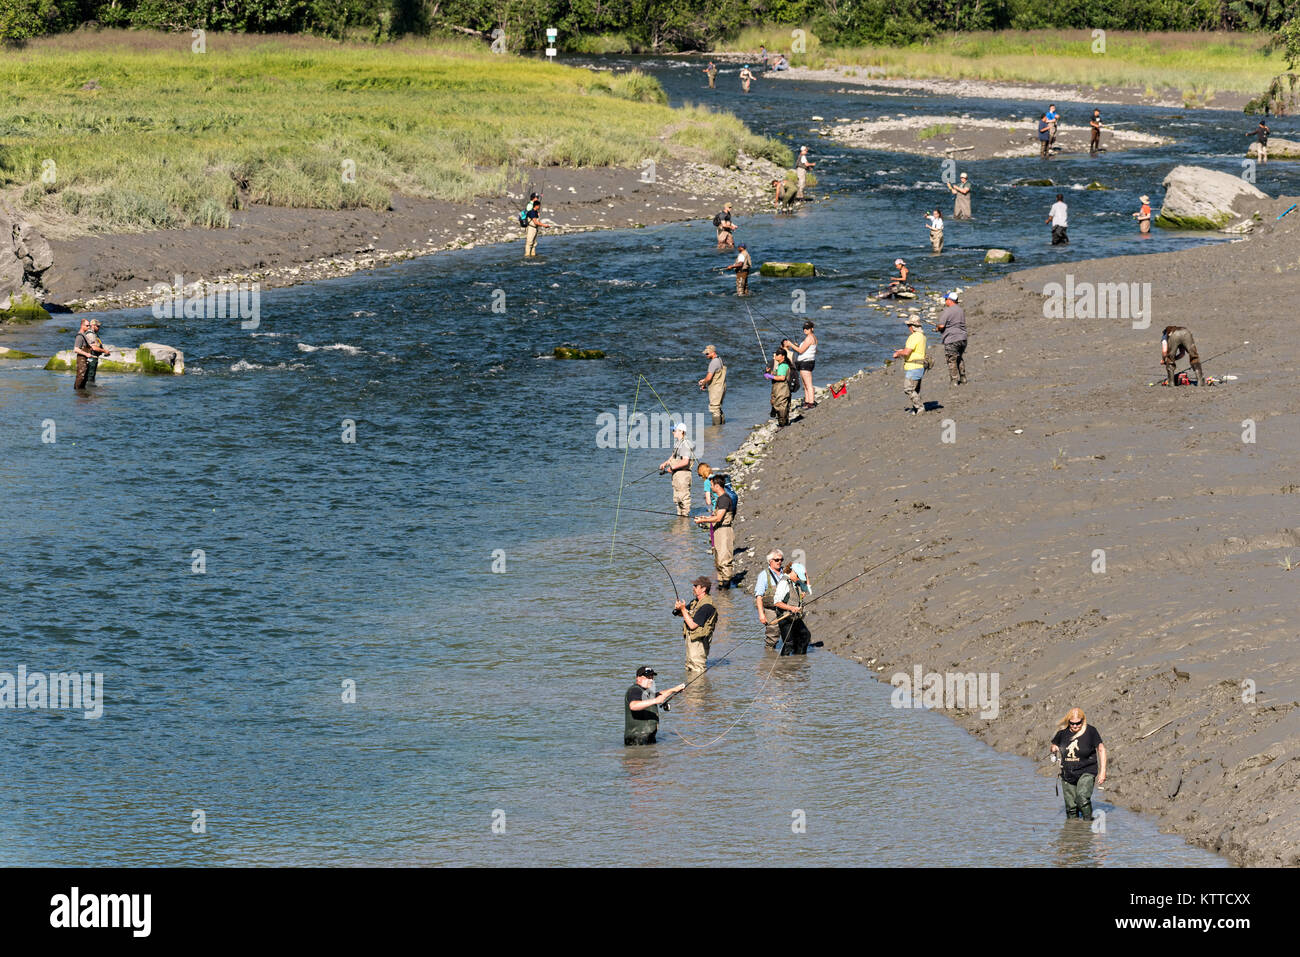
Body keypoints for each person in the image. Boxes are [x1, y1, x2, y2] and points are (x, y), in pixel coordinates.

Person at [1050, 707, 1107, 820]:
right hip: (1068, 774)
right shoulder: (1062, 732)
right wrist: (1054, 748)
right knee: (1071, 807)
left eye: (1078, 723)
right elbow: (1053, 746)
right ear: (1068, 721)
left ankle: (1088, 824)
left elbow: (1101, 749)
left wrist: (1103, 771)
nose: (1075, 726)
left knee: (1082, 798)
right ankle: (1073, 833)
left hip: (1086, 771)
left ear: (1083, 720)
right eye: (1072, 723)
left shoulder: (1091, 731)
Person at [625, 666, 685, 746]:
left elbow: (658, 695)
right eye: (648, 677)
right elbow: (633, 706)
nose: (651, 680)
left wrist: (673, 690)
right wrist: (656, 701)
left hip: (647, 739)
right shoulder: (634, 690)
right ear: (638, 678)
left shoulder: (645, 691)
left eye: (652, 677)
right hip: (637, 741)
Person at [694, 478, 736, 588]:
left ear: (717, 486)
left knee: (724, 561)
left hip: (724, 532)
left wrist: (703, 521)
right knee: (718, 562)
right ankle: (722, 590)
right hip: (718, 531)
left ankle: (726, 589)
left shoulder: (724, 499)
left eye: (712, 485)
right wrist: (705, 518)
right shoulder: (720, 499)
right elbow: (715, 517)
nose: (711, 488)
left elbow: (718, 518)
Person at [674, 577, 718, 673]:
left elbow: (693, 625)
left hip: (699, 644)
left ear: (703, 589)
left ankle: (701, 687)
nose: (693, 588)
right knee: (690, 669)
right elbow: (684, 613)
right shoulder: (695, 602)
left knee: (698, 671)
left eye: (696, 586)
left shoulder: (707, 606)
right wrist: (678, 609)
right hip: (692, 643)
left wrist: (682, 609)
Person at [753, 549, 788, 649]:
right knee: (772, 634)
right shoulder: (763, 575)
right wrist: (761, 614)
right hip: (771, 610)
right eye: (777, 560)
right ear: (770, 561)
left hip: (786, 607)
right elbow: (759, 596)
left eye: (781, 559)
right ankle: (769, 653)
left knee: (790, 633)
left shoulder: (786, 573)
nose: (780, 562)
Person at [893, 316, 927, 415]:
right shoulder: (922, 336)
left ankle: (920, 408)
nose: (908, 327)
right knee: (915, 389)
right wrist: (901, 351)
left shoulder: (914, 337)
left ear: (912, 326)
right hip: (920, 366)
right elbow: (913, 351)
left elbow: (907, 352)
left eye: (908, 325)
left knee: (908, 388)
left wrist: (898, 354)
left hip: (914, 367)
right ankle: (915, 408)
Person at [660, 422, 696, 515]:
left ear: (681, 431)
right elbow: (673, 456)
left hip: (683, 475)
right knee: (677, 500)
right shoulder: (678, 443)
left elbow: (685, 461)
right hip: (677, 475)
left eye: (674, 430)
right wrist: (666, 463)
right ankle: (680, 522)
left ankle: (685, 523)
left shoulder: (685, 444)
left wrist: (672, 468)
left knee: (684, 500)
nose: (673, 432)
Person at [779, 561, 812, 655]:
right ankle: (784, 664)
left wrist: (806, 575)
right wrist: (791, 608)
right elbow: (777, 602)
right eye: (798, 575)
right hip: (784, 616)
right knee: (789, 643)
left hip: (794, 616)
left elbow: (808, 589)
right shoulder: (784, 583)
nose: (798, 578)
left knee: (805, 636)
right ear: (792, 572)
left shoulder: (796, 582)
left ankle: (798, 660)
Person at [783, 320, 817, 409]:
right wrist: (796, 346)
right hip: (805, 363)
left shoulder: (810, 338)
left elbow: (800, 351)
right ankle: (807, 402)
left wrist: (790, 344)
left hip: (806, 363)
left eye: (807, 328)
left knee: (808, 384)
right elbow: (802, 349)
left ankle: (811, 402)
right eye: (804, 328)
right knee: (805, 384)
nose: (805, 330)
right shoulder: (810, 338)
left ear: (812, 329)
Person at [936, 290, 968, 385]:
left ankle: (954, 381)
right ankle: (963, 378)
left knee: (951, 359)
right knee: (959, 358)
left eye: (946, 299)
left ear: (950, 300)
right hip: (963, 338)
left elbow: (941, 326)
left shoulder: (948, 310)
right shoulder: (960, 310)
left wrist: (937, 328)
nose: (945, 301)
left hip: (952, 339)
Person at [699, 344, 726, 425]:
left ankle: (716, 430)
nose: (706, 355)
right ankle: (722, 428)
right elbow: (716, 374)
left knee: (714, 409)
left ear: (713, 352)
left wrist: (703, 383)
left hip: (716, 388)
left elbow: (709, 378)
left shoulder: (713, 363)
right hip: (722, 386)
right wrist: (704, 380)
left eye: (707, 353)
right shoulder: (719, 359)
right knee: (718, 408)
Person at [765, 347, 791, 426]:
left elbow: (782, 377)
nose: (775, 356)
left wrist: (771, 376)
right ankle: (784, 423)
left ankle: (782, 424)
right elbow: (777, 374)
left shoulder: (783, 366)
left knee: (781, 406)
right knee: (777, 404)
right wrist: (769, 372)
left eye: (777, 354)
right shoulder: (779, 366)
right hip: (778, 389)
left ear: (783, 356)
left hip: (782, 389)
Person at [72, 319, 96, 391]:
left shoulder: (84, 335)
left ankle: (82, 394)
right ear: (82, 326)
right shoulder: (79, 336)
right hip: (81, 360)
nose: (88, 327)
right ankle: (77, 393)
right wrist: (86, 354)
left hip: (85, 360)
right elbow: (76, 349)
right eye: (87, 325)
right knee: (81, 377)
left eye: (89, 325)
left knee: (84, 378)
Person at [85, 318, 110, 384]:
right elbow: (94, 347)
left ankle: (89, 391)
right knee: (90, 377)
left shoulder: (94, 334)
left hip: (93, 358)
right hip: (91, 359)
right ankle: (90, 392)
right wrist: (104, 351)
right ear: (93, 325)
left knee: (91, 376)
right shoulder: (90, 334)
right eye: (97, 326)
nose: (99, 328)